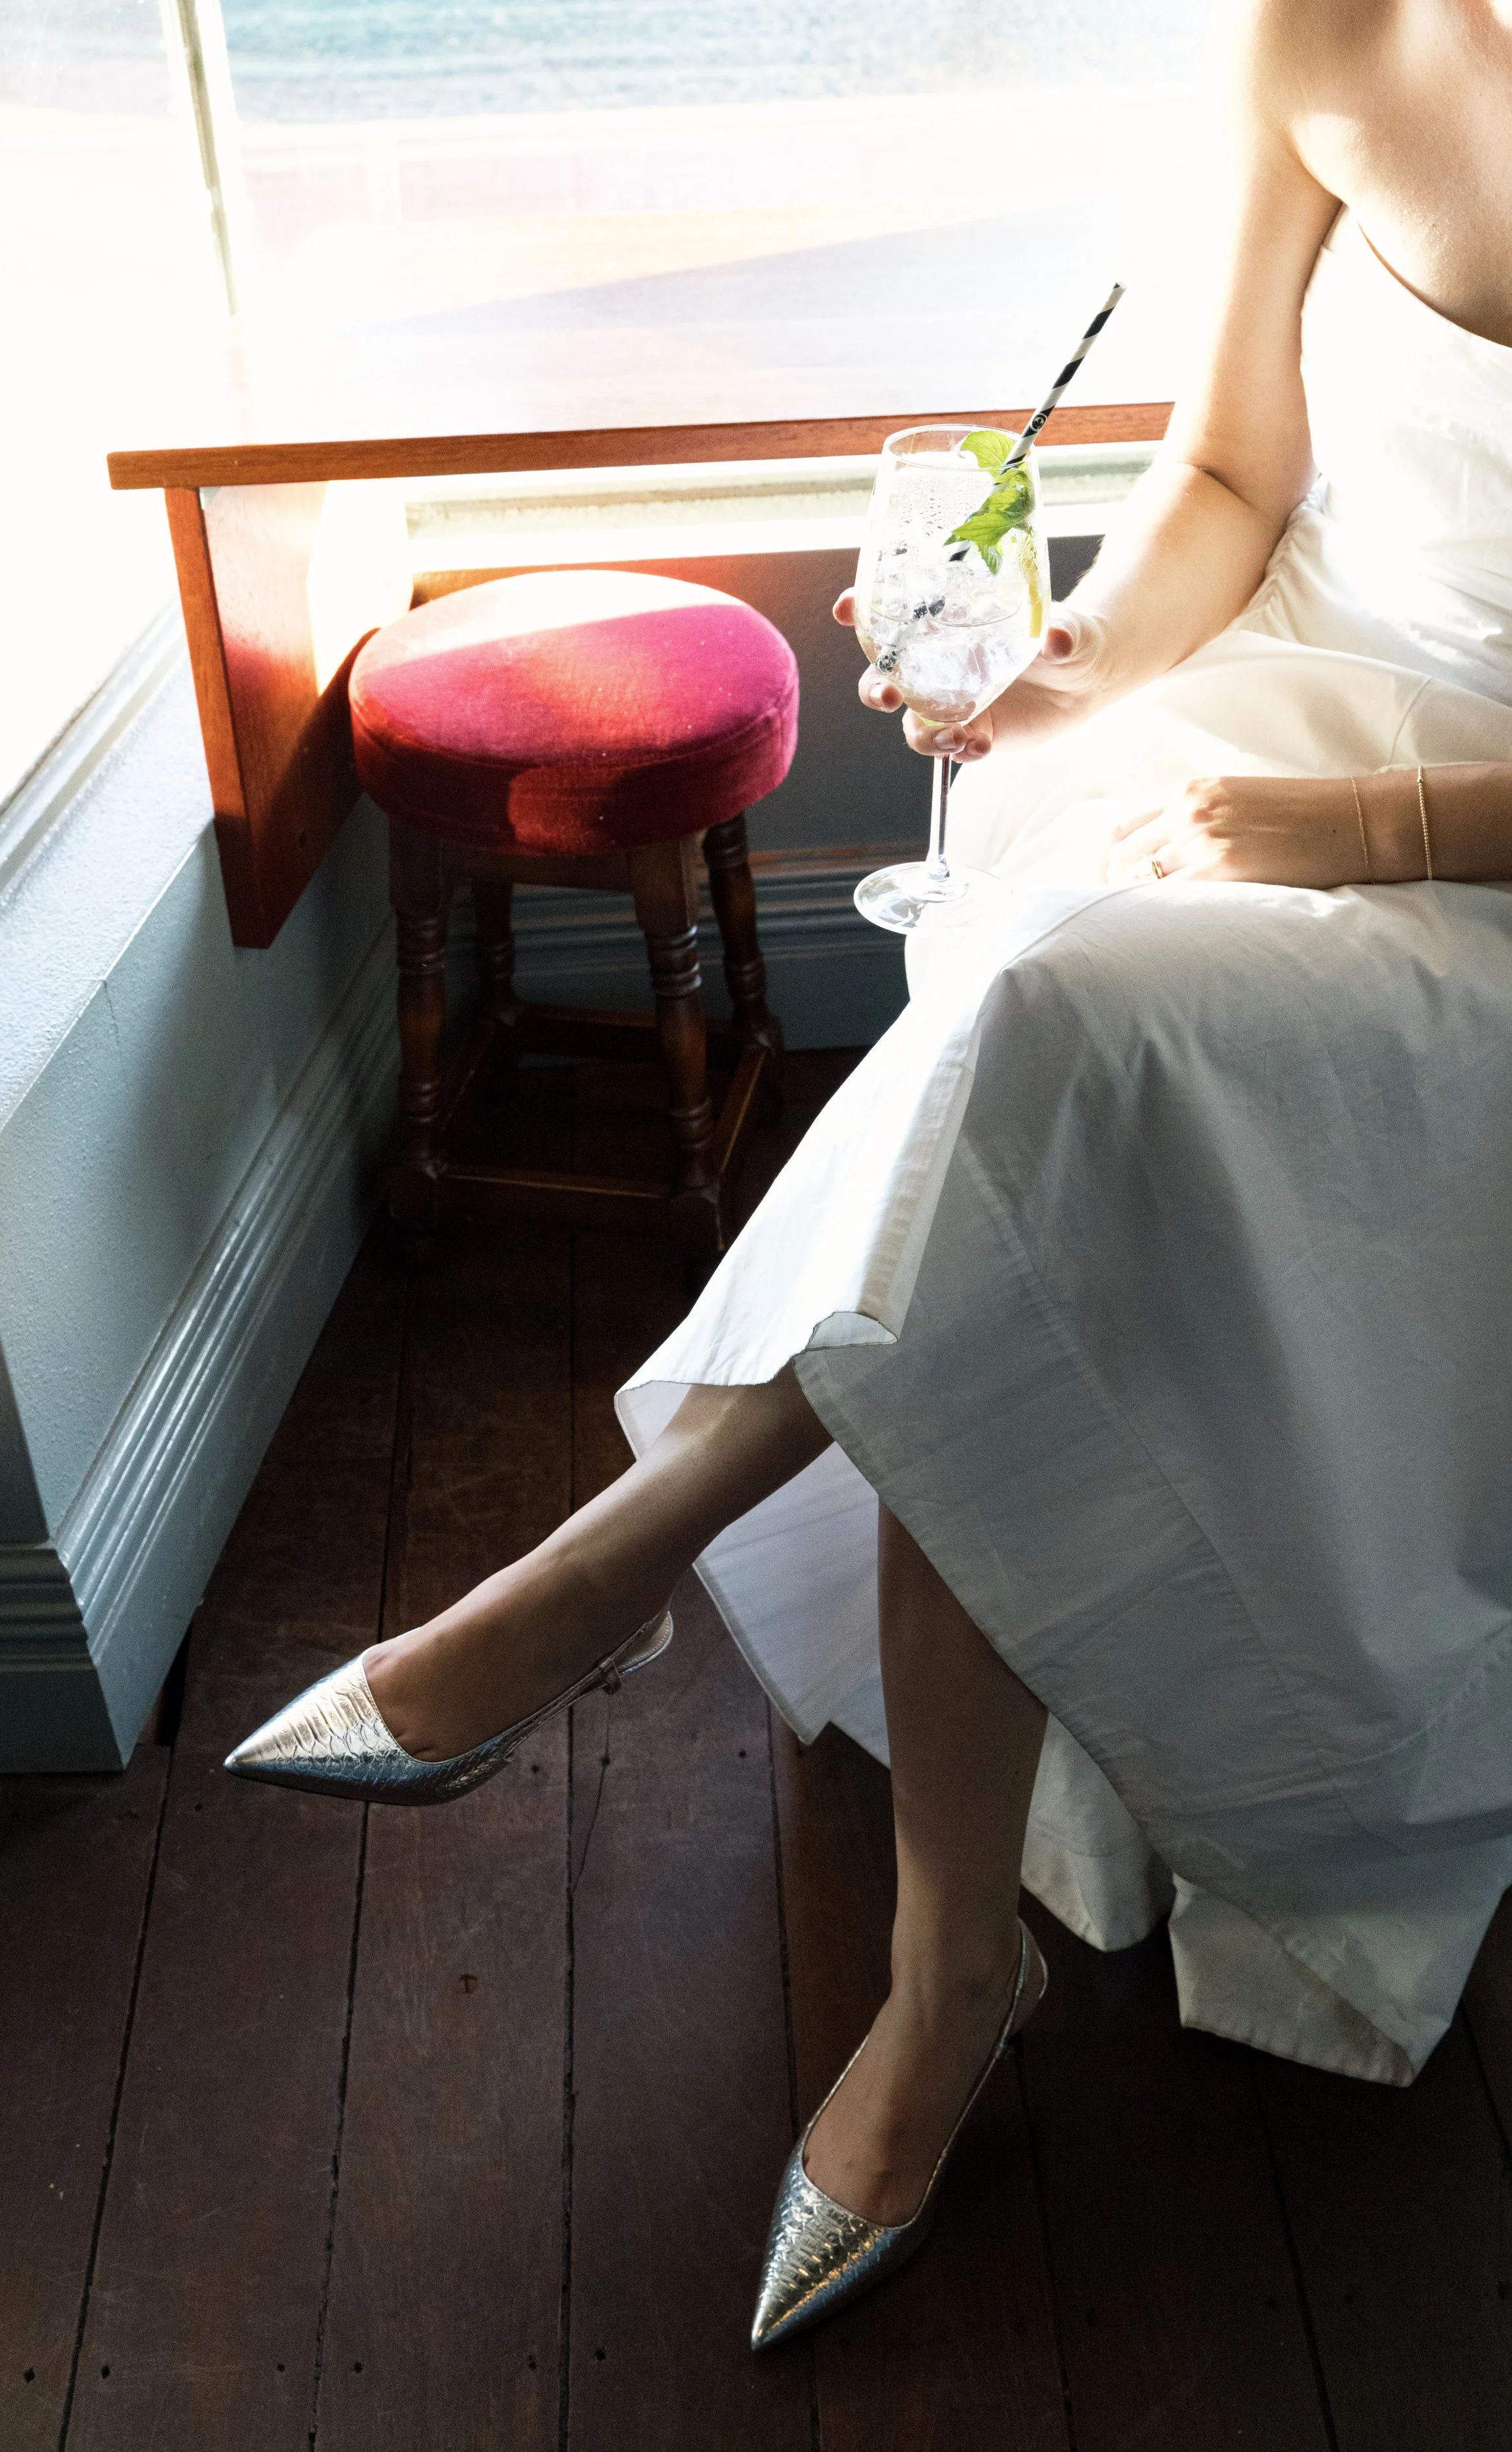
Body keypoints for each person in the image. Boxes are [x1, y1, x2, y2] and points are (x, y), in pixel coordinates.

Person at [226, 0, 1512, 2349]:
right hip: (1281, 711)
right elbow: (1231, 470)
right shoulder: (1336, 21)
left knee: (1041, 1043)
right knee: (1029, 1040)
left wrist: (1364, 827)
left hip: (1469, 845)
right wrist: (1069, 663)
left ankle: (618, 1587)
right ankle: (934, 1960)